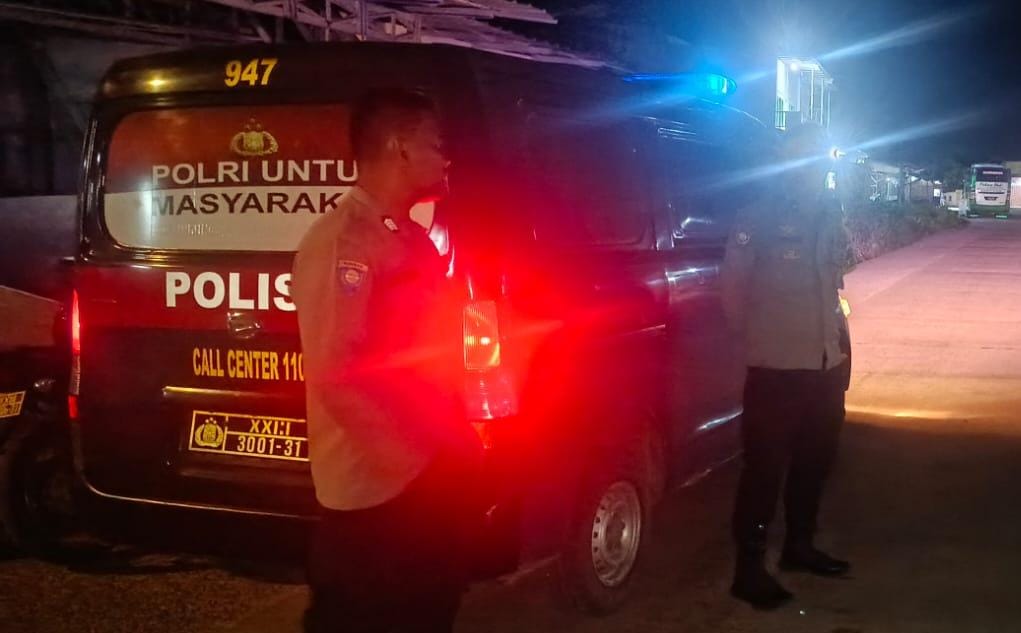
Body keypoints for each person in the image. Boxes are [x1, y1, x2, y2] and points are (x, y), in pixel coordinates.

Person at [291, 89, 483, 632]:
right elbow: (335, 376)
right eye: (436, 144)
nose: (447, 158)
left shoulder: (409, 239)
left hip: (424, 477)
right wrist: (409, 467)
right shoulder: (345, 241)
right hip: (376, 498)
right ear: (399, 147)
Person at [720, 123, 853, 610]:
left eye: (819, 159)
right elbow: (732, 291)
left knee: (815, 463)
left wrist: (838, 352)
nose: (812, 169)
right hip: (776, 369)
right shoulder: (756, 218)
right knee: (764, 472)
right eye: (803, 159)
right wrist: (760, 340)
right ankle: (749, 569)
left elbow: (834, 286)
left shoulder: (830, 216)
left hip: (825, 366)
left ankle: (799, 546)